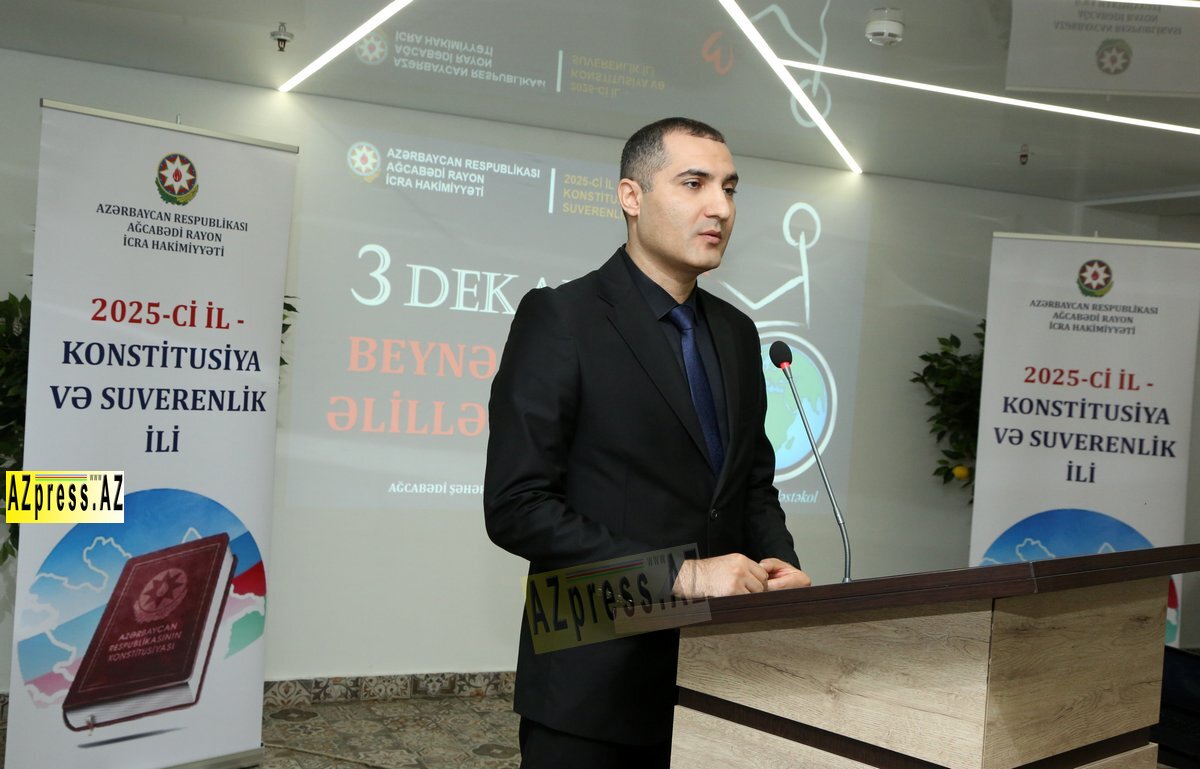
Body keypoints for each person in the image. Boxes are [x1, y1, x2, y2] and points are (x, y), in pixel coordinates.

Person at [484, 117, 811, 769]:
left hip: (719, 676)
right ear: (631, 197)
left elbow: (750, 485)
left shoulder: (738, 333)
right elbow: (517, 507)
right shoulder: (562, 318)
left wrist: (779, 564)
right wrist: (681, 575)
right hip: (593, 677)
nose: (720, 207)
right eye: (693, 183)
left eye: (729, 188)